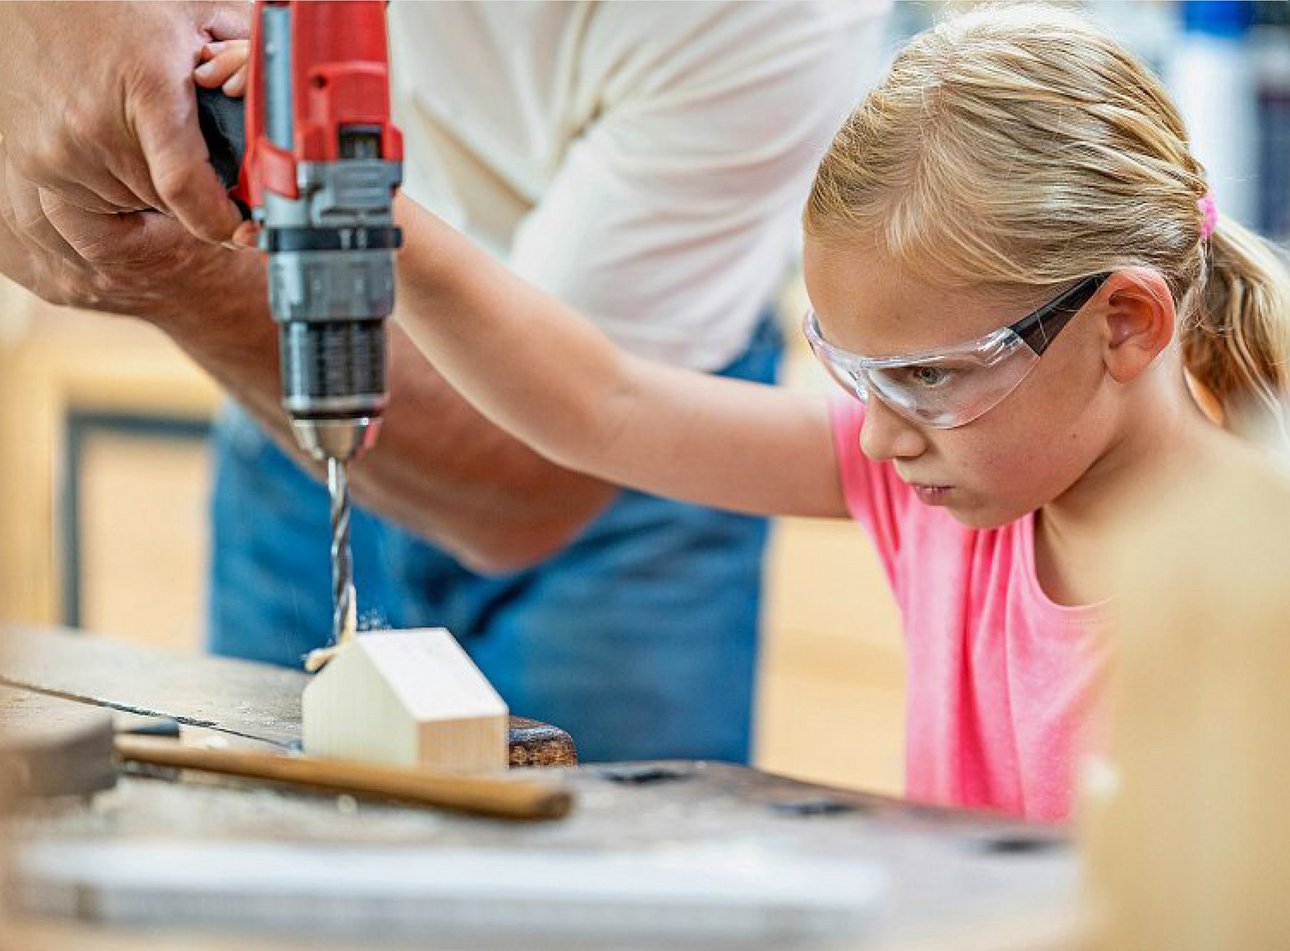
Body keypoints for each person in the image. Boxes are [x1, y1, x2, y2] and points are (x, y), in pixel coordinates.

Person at [206, 2, 1290, 821]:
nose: (875, 436)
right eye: (851, 371)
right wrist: (371, 205)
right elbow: (602, 404)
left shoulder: (1259, 590)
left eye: (925, 377)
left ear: (1126, 325)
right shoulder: (953, 482)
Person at [0, 2, 885, 763]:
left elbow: (553, 454)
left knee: (599, 885)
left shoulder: (769, 23)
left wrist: (215, 258)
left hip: (630, 461)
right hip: (294, 428)